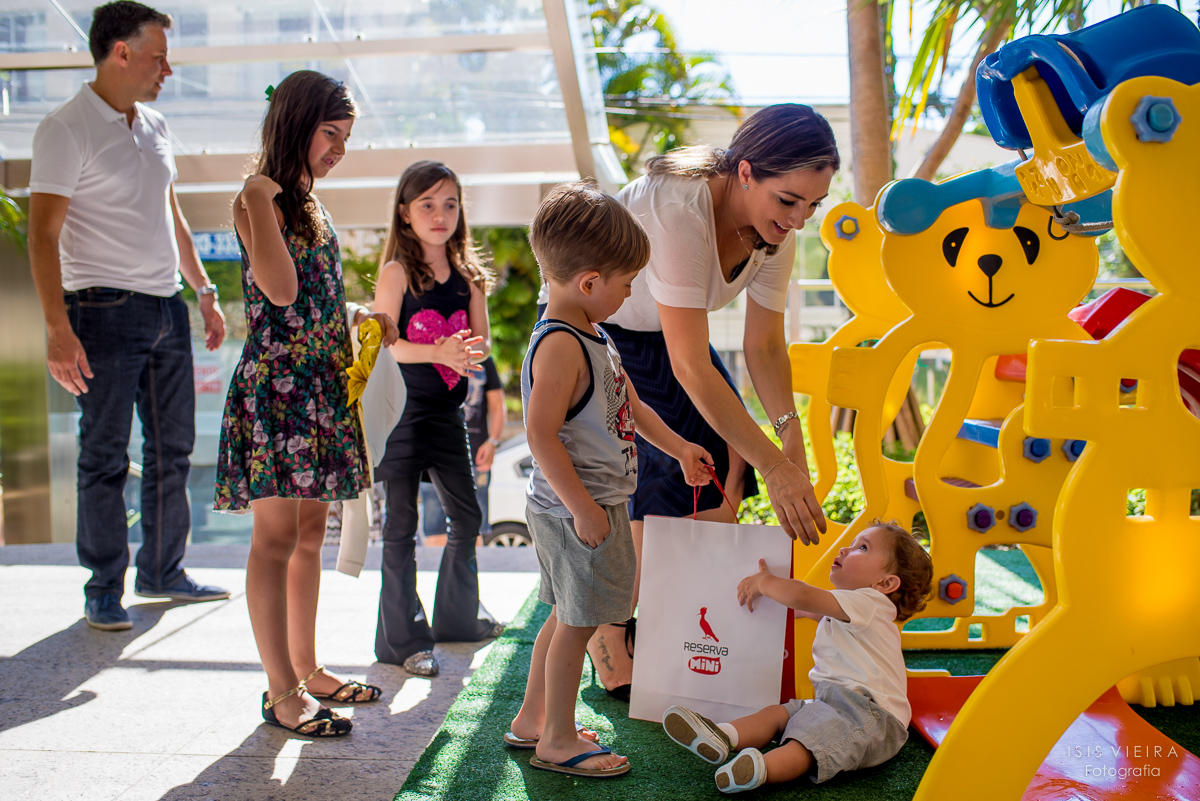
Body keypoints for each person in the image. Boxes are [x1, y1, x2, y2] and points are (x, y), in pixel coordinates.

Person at [588, 104, 842, 696]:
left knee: (727, 478)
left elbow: (764, 346)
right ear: (746, 172)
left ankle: (670, 620)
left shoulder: (774, 234)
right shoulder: (679, 209)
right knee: (660, 476)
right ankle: (609, 634)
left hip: (672, 339)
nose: (800, 220)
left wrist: (789, 436)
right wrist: (776, 466)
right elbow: (687, 365)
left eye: (813, 205)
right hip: (603, 333)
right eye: (789, 201)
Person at [28, 1, 230, 632]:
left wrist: (202, 290)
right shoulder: (65, 129)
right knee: (105, 455)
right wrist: (57, 329)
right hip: (101, 308)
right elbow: (41, 236)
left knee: (173, 449)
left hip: (166, 306)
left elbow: (170, 215)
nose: (168, 68)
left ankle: (162, 571)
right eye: (158, 55)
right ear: (121, 51)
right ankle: (103, 586)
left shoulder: (156, 124)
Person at [214, 70, 399, 737]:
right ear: (295, 122)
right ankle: (280, 690)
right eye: (331, 133)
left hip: (320, 386)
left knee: (311, 534)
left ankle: (307, 667)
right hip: (277, 390)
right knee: (275, 538)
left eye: (346, 137)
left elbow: (314, 301)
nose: (338, 149)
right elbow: (282, 291)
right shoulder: (256, 198)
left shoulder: (307, 203)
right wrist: (260, 200)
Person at [508, 181, 714, 778]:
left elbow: (632, 408)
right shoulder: (560, 346)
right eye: (628, 284)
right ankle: (558, 738)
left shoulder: (594, 336)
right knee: (581, 621)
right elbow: (541, 435)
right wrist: (583, 509)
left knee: (563, 614)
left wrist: (677, 449)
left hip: (588, 506)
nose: (632, 293)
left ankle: (533, 721)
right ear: (590, 282)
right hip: (581, 509)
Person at [661, 520, 933, 793]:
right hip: (832, 702)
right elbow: (809, 609)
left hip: (874, 716)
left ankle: (762, 769)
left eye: (862, 548)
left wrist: (765, 582)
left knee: (809, 742)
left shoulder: (871, 602)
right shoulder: (854, 609)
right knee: (778, 714)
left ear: (885, 583)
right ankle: (723, 735)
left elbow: (802, 596)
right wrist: (785, 604)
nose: (844, 549)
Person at [371, 160, 503, 677]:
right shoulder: (396, 273)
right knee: (400, 527)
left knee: (467, 517)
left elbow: (484, 340)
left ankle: (456, 620)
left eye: (450, 203)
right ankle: (403, 642)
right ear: (405, 214)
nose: (440, 214)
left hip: (448, 416)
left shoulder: (469, 277)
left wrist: (463, 348)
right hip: (401, 415)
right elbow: (387, 346)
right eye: (427, 204)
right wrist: (437, 352)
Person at [419, 354, 505, 542]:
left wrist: (493, 442)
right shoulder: (429, 352)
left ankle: (470, 572)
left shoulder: (483, 360)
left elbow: (498, 407)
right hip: (434, 456)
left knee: (475, 530)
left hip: (476, 460)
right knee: (435, 532)